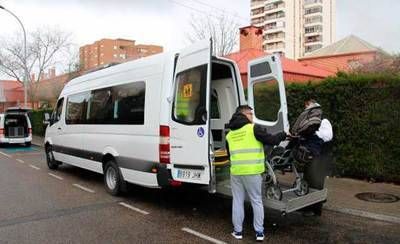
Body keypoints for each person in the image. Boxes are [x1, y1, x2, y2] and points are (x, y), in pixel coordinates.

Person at [225, 105, 286, 241]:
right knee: (256, 201)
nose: (252, 117)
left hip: (236, 172)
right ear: (244, 114)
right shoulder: (253, 129)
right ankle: (259, 232)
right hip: (252, 172)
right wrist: (283, 134)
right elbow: (272, 140)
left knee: (238, 201)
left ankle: (238, 231)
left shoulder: (229, 134)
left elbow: (230, 155)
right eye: (251, 114)